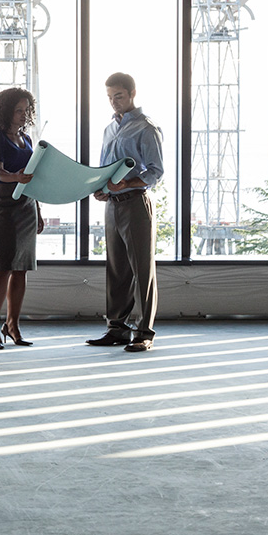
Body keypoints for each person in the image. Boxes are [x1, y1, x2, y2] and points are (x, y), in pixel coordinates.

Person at [88, 72, 164, 352]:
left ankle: (144, 332)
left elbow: (155, 172)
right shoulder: (109, 129)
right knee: (116, 269)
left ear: (132, 93)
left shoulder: (145, 128)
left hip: (135, 203)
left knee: (142, 269)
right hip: (112, 205)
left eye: (118, 96)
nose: (114, 103)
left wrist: (126, 183)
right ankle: (116, 329)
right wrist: (101, 188)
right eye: (109, 98)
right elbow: (105, 168)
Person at [0, 87, 44, 349]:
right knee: (4, 265)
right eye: (19, 110)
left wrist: (39, 210)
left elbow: (32, 178)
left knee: (22, 268)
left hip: (27, 205)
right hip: (4, 204)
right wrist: (16, 176)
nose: (23, 114)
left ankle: (13, 325)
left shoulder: (28, 140)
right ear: (6, 111)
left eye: (26, 110)